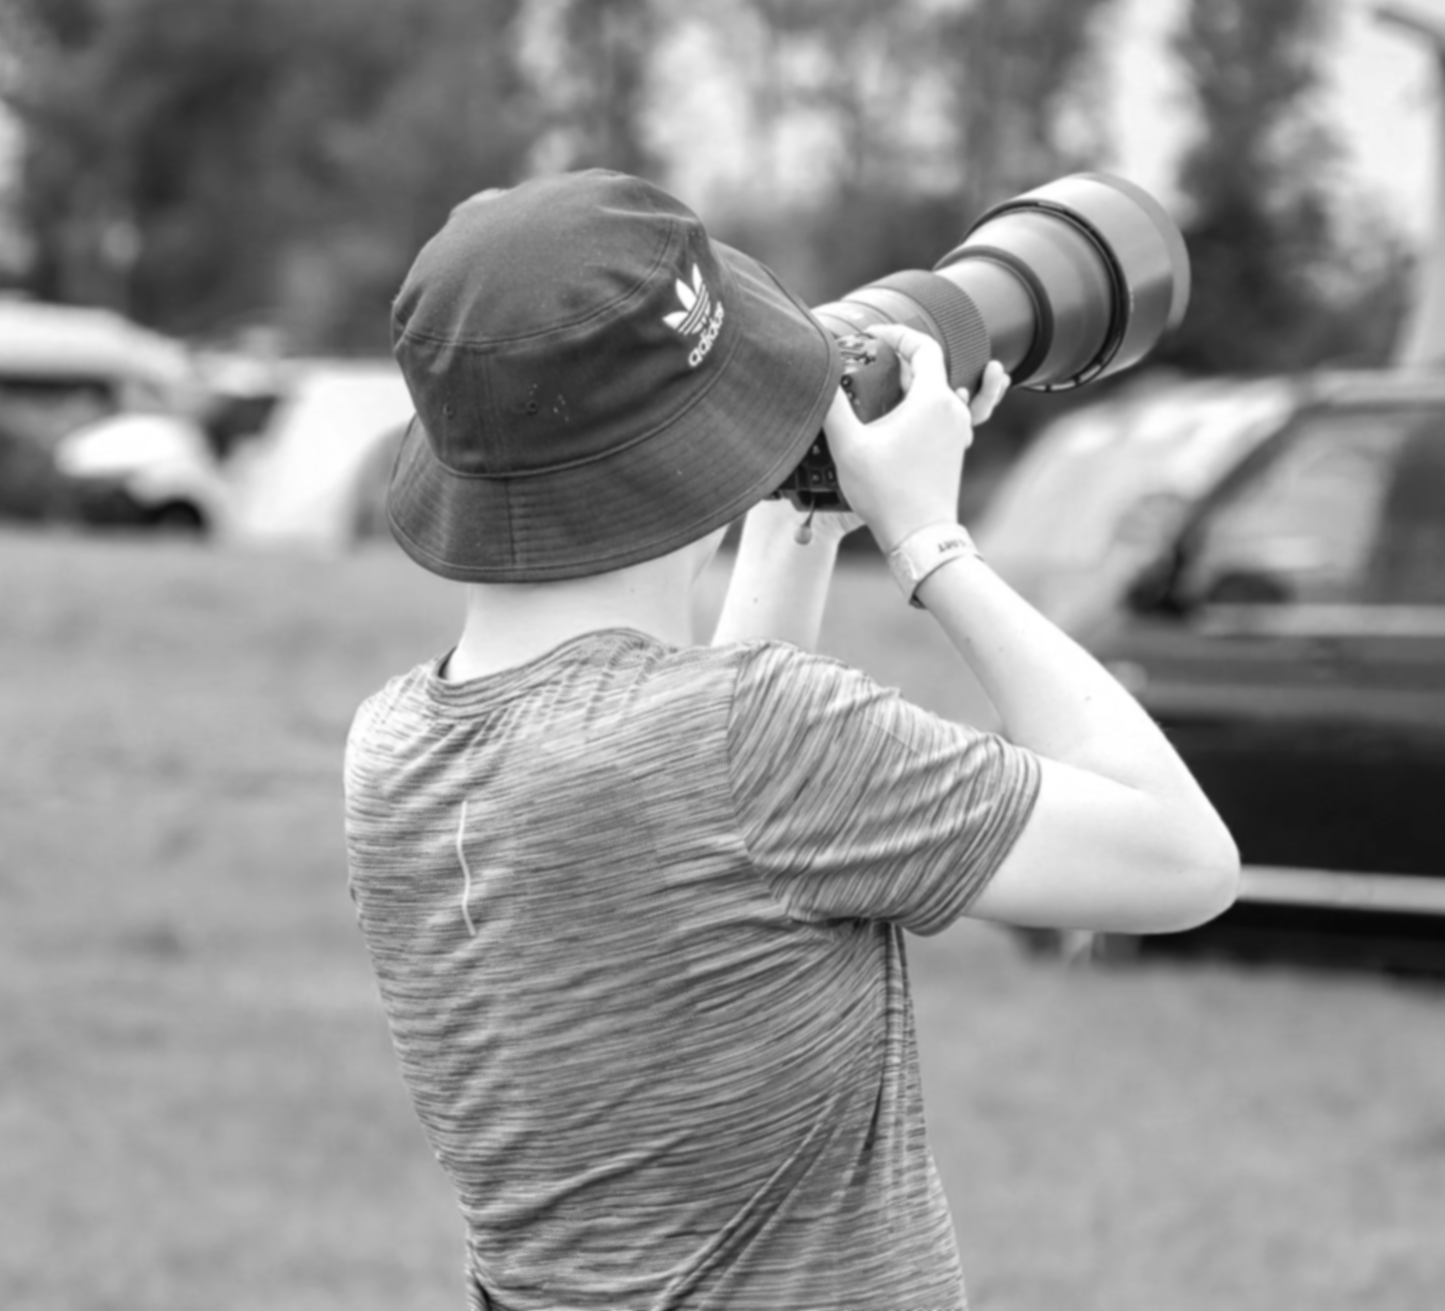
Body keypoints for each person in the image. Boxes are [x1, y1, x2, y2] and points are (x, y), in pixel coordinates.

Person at [343, 168, 1237, 1311]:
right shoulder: (748, 741)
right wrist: (928, 542)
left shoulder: (393, 751)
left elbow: (721, 863)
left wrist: (798, 508)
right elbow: (1183, 859)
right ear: (688, 446)